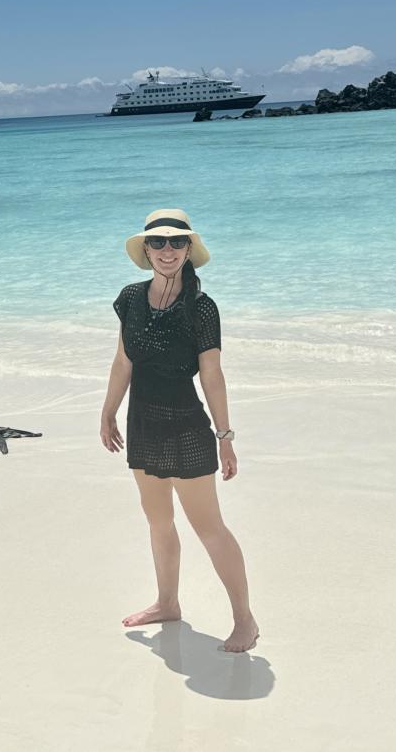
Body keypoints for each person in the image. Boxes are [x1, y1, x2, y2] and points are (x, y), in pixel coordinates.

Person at [101, 208, 259, 653]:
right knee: (158, 523)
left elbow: (212, 376)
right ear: (146, 249)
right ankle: (167, 602)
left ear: (189, 250)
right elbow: (122, 361)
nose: (166, 250)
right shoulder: (130, 298)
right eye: (158, 242)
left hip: (187, 429)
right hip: (142, 425)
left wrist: (225, 439)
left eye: (176, 242)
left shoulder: (202, 309)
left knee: (210, 529)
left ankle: (244, 619)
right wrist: (107, 410)